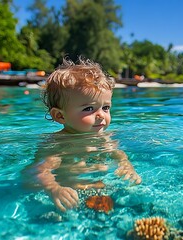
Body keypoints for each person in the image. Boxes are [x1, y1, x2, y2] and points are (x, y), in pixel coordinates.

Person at [28, 57, 141, 212]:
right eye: (89, 109)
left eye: (106, 108)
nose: (101, 115)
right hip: (72, 197)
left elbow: (118, 154)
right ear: (60, 116)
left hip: (101, 191)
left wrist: (126, 166)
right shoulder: (59, 145)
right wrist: (54, 189)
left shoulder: (105, 138)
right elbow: (39, 171)